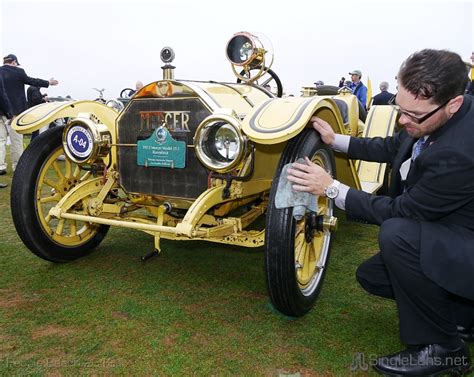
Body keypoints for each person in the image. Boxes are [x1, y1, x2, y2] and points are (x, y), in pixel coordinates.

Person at [287, 49, 473, 376]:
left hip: (465, 239)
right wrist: (336, 141)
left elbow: (401, 211)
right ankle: (463, 316)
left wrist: (331, 188)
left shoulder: (459, 152)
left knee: (397, 235)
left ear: (454, 104)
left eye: (412, 115)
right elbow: (393, 147)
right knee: (372, 275)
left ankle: (442, 348)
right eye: (400, 110)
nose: (403, 120)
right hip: (455, 232)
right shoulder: (436, 114)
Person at [0, 54, 58, 173]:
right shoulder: (19, 72)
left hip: (0, 111)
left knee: (0, 140)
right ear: (14, 62)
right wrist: (48, 82)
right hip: (15, 111)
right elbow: (32, 80)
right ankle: (17, 166)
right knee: (16, 140)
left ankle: (1, 166)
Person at [0, 73, 12, 178]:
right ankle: (1, 166)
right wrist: (9, 113)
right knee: (2, 139)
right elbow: (2, 95)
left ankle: (1, 166)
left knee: (1, 140)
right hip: (2, 113)